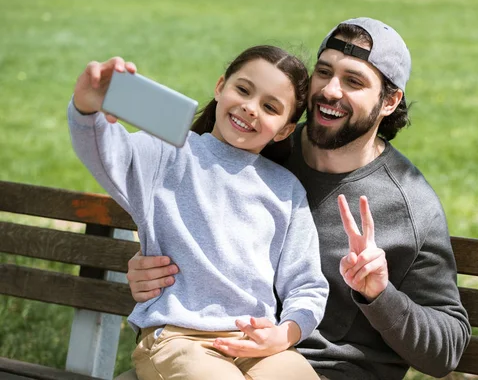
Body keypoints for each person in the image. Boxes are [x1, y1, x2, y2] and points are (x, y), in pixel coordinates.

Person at [122, 17, 472, 380]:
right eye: (324, 71)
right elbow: (177, 177)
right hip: (213, 353)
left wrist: (380, 295)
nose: (331, 90)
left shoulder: (411, 206)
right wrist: (149, 264)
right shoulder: (263, 141)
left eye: (353, 81)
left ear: (389, 101)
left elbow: (445, 351)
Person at [67, 46, 329, 380]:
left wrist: (286, 332)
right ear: (220, 87)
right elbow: (108, 154)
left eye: (270, 107)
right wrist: (87, 107)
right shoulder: (169, 154)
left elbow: (307, 284)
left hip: (256, 346)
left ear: (284, 130)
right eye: (243, 90)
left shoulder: (286, 190)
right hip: (178, 340)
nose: (250, 108)